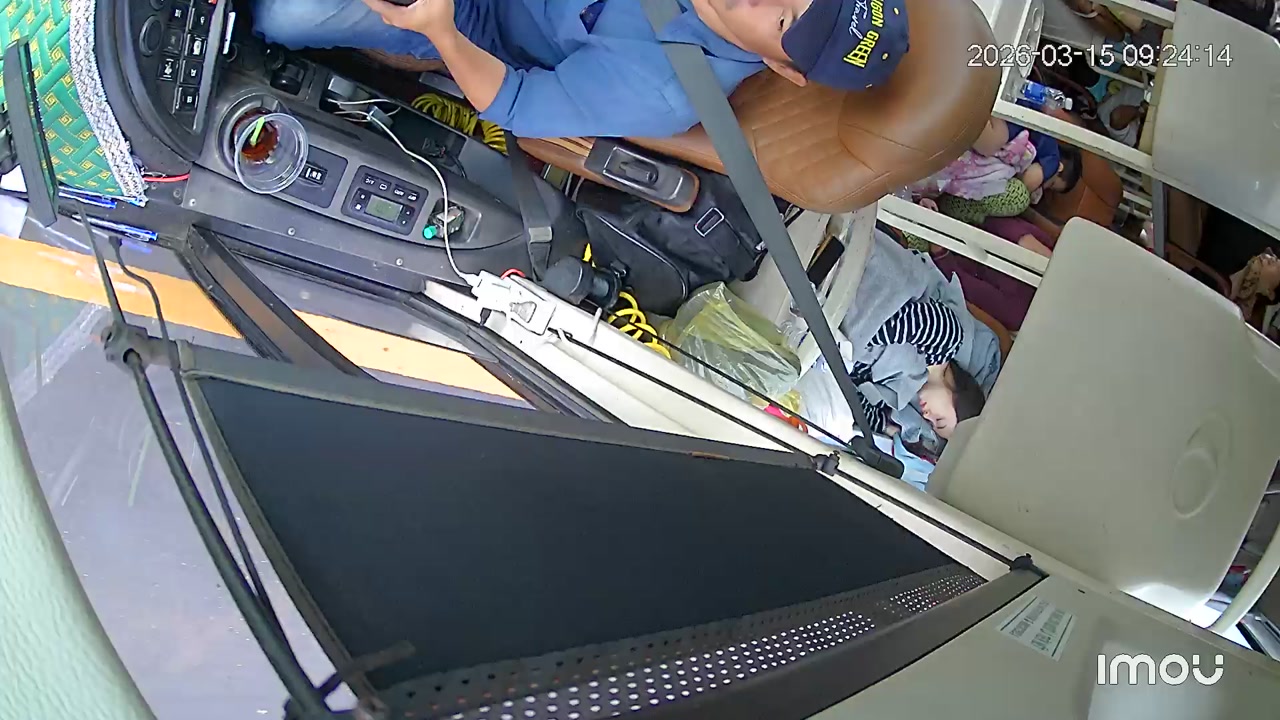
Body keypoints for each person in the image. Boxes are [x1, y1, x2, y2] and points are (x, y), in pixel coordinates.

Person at [252, 0, 911, 138]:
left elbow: (517, 106)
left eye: (785, 22)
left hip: (474, 15)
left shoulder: (666, 88)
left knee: (290, 11)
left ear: (782, 68)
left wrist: (440, 31)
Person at [850, 298, 986, 440]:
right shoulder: (946, 340)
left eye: (930, 423)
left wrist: (884, 426)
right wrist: (850, 350)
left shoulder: (905, 390)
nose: (926, 416)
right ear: (960, 398)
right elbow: (894, 322)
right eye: (939, 420)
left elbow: (853, 395)